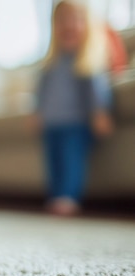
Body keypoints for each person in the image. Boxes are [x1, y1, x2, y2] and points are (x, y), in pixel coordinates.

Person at [31, 1, 114, 216]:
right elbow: (41, 93)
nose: (68, 25)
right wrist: (37, 113)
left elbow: (96, 92)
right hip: (51, 123)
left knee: (71, 160)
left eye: (75, 19)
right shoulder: (50, 64)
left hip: (75, 123)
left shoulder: (86, 62)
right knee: (53, 161)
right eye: (62, 20)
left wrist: (100, 112)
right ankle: (55, 195)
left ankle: (68, 197)